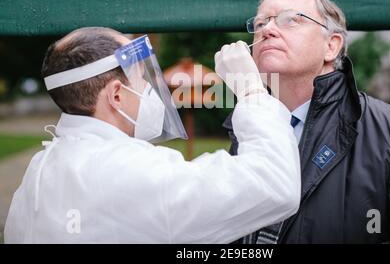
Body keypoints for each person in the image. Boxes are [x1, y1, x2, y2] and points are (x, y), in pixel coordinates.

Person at [4, 27, 301, 243]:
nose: (150, 89)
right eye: (142, 79)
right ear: (117, 96)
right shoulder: (133, 171)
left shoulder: (39, 170)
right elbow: (274, 184)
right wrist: (251, 91)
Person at [224, 0, 390, 243]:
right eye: (260, 24)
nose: (268, 30)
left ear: (331, 46)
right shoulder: (246, 128)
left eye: (289, 20)